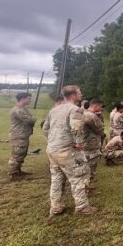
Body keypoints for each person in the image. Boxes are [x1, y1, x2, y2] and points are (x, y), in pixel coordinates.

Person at [42, 85, 97, 216]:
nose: (81, 95)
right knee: (78, 177)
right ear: (73, 95)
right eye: (79, 92)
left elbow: (45, 128)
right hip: (66, 151)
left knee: (56, 178)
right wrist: (78, 143)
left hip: (52, 150)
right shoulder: (75, 110)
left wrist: (52, 141)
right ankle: (82, 207)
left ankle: (55, 207)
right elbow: (77, 128)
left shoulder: (54, 110)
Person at [7, 92, 37, 181]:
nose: (30, 100)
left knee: (21, 154)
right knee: (16, 155)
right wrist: (33, 118)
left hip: (22, 135)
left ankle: (18, 171)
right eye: (29, 98)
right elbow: (30, 121)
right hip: (18, 136)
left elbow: (30, 118)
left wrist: (32, 118)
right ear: (23, 99)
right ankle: (13, 174)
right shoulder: (18, 110)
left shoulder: (23, 109)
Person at [83, 99, 104, 190]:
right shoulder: (92, 116)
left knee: (84, 168)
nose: (101, 108)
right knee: (90, 170)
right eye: (100, 106)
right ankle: (87, 189)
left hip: (83, 146)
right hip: (91, 146)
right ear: (95, 106)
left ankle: (86, 187)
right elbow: (100, 130)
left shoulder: (82, 113)